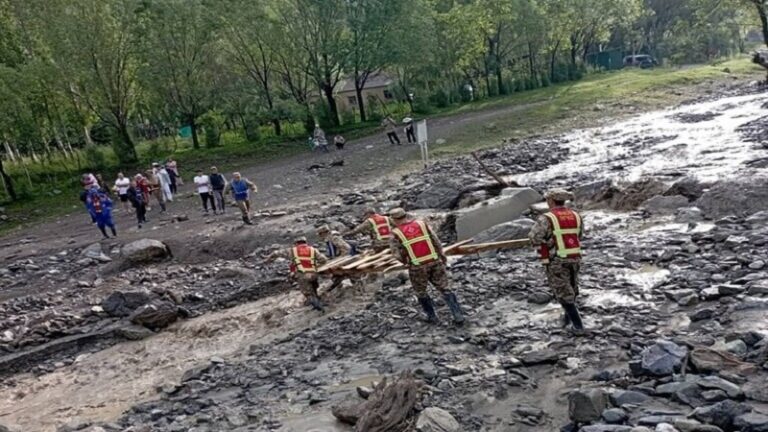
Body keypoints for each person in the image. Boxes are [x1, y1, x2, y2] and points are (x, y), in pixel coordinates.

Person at [389, 208, 464, 324]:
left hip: (417, 266)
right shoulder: (421, 224)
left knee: (421, 292)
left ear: (394, 219)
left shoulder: (396, 233)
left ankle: (432, 316)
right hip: (434, 261)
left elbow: (396, 254)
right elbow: (436, 241)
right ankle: (457, 314)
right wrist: (442, 255)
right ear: (405, 215)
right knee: (445, 287)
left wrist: (405, 261)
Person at [528, 188, 586, 335]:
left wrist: (548, 244)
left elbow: (534, 237)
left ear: (551, 201)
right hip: (575, 256)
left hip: (557, 259)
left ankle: (578, 326)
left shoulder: (547, 218)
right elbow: (580, 234)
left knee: (562, 290)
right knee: (572, 287)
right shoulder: (576, 215)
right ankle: (567, 320)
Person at [265, 237, 329, 312]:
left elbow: (277, 253)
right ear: (305, 242)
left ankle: (321, 310)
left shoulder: (292, 250)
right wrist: (315, 265)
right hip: (313, 274)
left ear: (296, 243)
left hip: (302, 275)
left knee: (308, 294)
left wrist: (268, 259)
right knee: (314, 288)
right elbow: (323, 260)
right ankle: (319, 303)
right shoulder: (312, 249)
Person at [317, 225, 360, 291]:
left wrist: (342, 258)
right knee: (338, 276)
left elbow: (347, 248)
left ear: (323, 233)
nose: (320, 236)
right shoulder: (329, 238)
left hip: (345, 258)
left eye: (320, 234)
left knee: (349, 274)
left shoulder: (334, 237)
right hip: (340, 258)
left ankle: (358, 288)